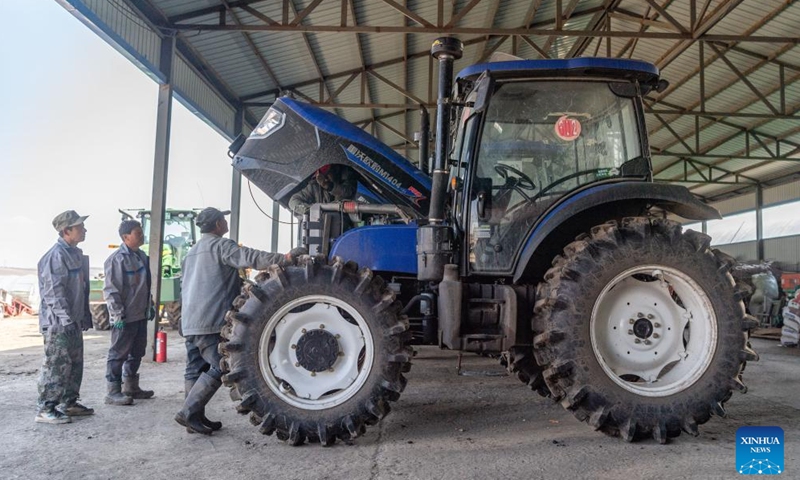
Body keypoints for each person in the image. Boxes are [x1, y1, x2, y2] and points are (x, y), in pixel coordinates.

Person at [175, 207, 304, 435]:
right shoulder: (221, 246)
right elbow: (251, 258)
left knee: (194, 368)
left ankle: (194, 417)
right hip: (210, 321)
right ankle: (188, 412)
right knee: (219, 366)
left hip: (190, 321)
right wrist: (283, 259)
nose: (226, 223)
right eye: (223, 220)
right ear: (217, 225)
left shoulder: (192, 252)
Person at [35, 210, 94, 424]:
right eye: (79, 226)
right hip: (58, 324)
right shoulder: (56, 256)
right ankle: (45, 408)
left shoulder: (74, 254)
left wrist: (81, 317)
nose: (84, 229)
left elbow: (80, 290)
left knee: (75, 363)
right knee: (56, 365)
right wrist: (66, 319)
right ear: (66, 231)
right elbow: (53, 293)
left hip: (73, 321)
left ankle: (69, 402)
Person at [102, 220, 156, 407]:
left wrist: (150, 305)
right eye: (137, 233)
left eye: (141, 232)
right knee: (118, 353)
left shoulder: (142, 256)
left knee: (137, 352)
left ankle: (131, 386)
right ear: (126, 237)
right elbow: (111, 291)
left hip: (139, 315)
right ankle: (113, 392)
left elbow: (145, 286)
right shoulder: (116, 260)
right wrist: (117, 316)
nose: (142, 236)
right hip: (124, 317)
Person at [288, 164, 357, 216]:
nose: (325, 180)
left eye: (327, 175)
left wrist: (329, 186)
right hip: (329, 226)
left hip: (348, 219)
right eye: (322, 177)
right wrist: (312, 209)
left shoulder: (346, 176)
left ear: (334, 170)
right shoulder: (314, 186)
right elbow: (293, 201)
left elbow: (348, 191)